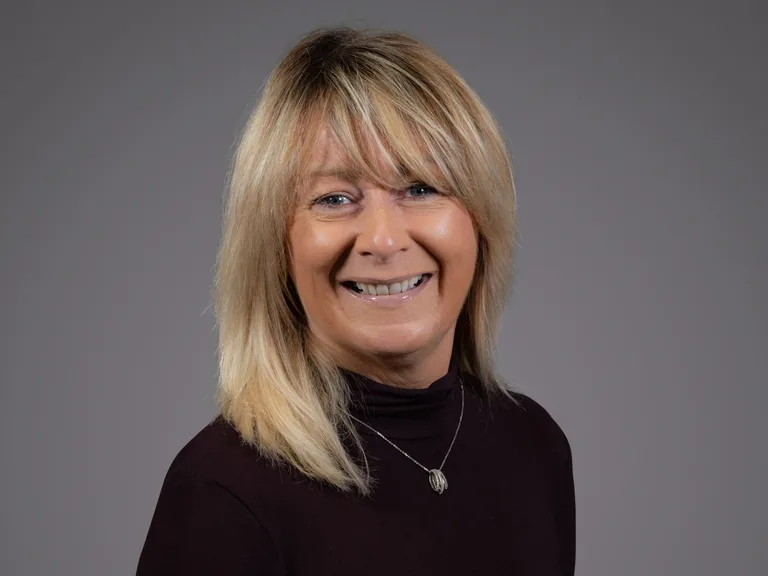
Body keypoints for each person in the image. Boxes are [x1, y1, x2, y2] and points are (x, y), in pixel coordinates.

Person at [137, 27, 575, 575]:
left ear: (481, 220)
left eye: (420, 188)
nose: (384, 240)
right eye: (336, 198)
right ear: (276, 245)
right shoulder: (222, 494)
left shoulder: (533, 448)